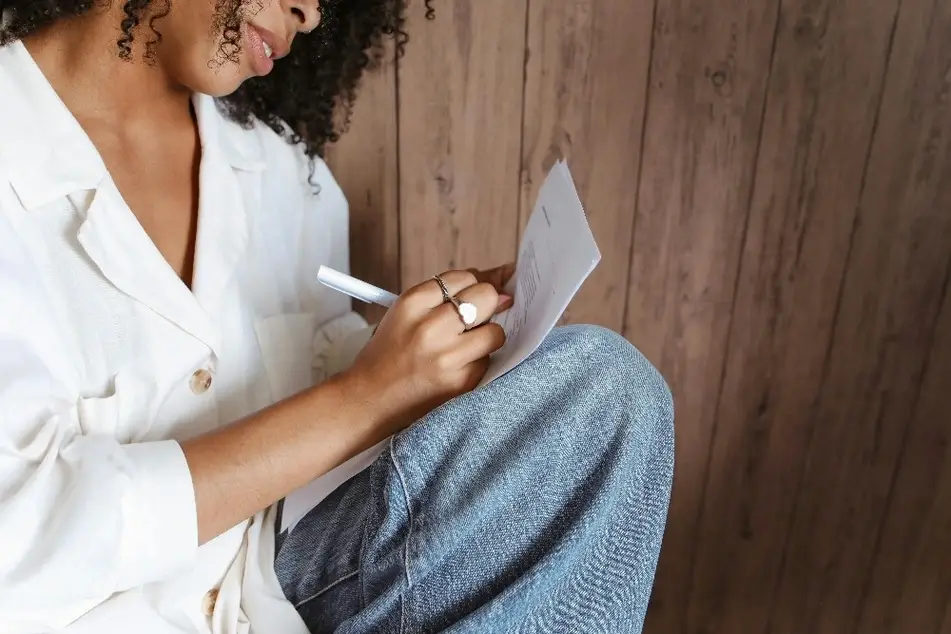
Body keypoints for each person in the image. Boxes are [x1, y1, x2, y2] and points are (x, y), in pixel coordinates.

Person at [0, 1, 675, 633]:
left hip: (282, 585)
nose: (310, 12)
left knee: (608, 394)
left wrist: (423, 357)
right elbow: (21, 546)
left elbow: (319, 372)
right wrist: (363, 397)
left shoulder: (288, 176)